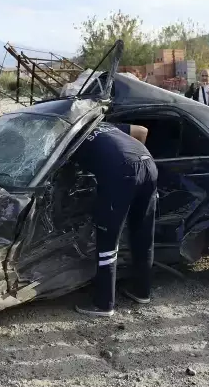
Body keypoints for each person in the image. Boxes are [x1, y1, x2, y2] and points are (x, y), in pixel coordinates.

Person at [71, 121, 158, 317]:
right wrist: (133, 160)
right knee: (143, 233)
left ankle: (104, 304)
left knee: (108, 239)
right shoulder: (101, 124)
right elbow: (142, 130)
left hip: (121, 172)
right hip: (148, 164)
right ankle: (142, 292)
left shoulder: (69, 132)